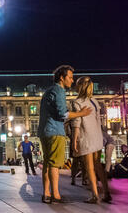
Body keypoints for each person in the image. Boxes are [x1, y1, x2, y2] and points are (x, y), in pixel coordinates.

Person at [38, 65, 92, 204]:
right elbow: (63, 114)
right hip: (55, 131)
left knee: (47, 163)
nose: (72, 80)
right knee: (55, 164)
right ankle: (56, 195)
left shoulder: (48, 91)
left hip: (44, 131)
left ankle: (46, 194)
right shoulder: (59, 91)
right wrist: (81, 113)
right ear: (62, 78)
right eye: (70, 77)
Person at [71, 76, 111, 203]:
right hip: (97, 136)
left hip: (86, 136)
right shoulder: (94, 101)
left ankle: (95, 195)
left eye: (77, 85)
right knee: (98, 165)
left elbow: (76, 122)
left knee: (89, 167)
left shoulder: (77, 102)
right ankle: (106, 192)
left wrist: (74, 140)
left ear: (80, 87)